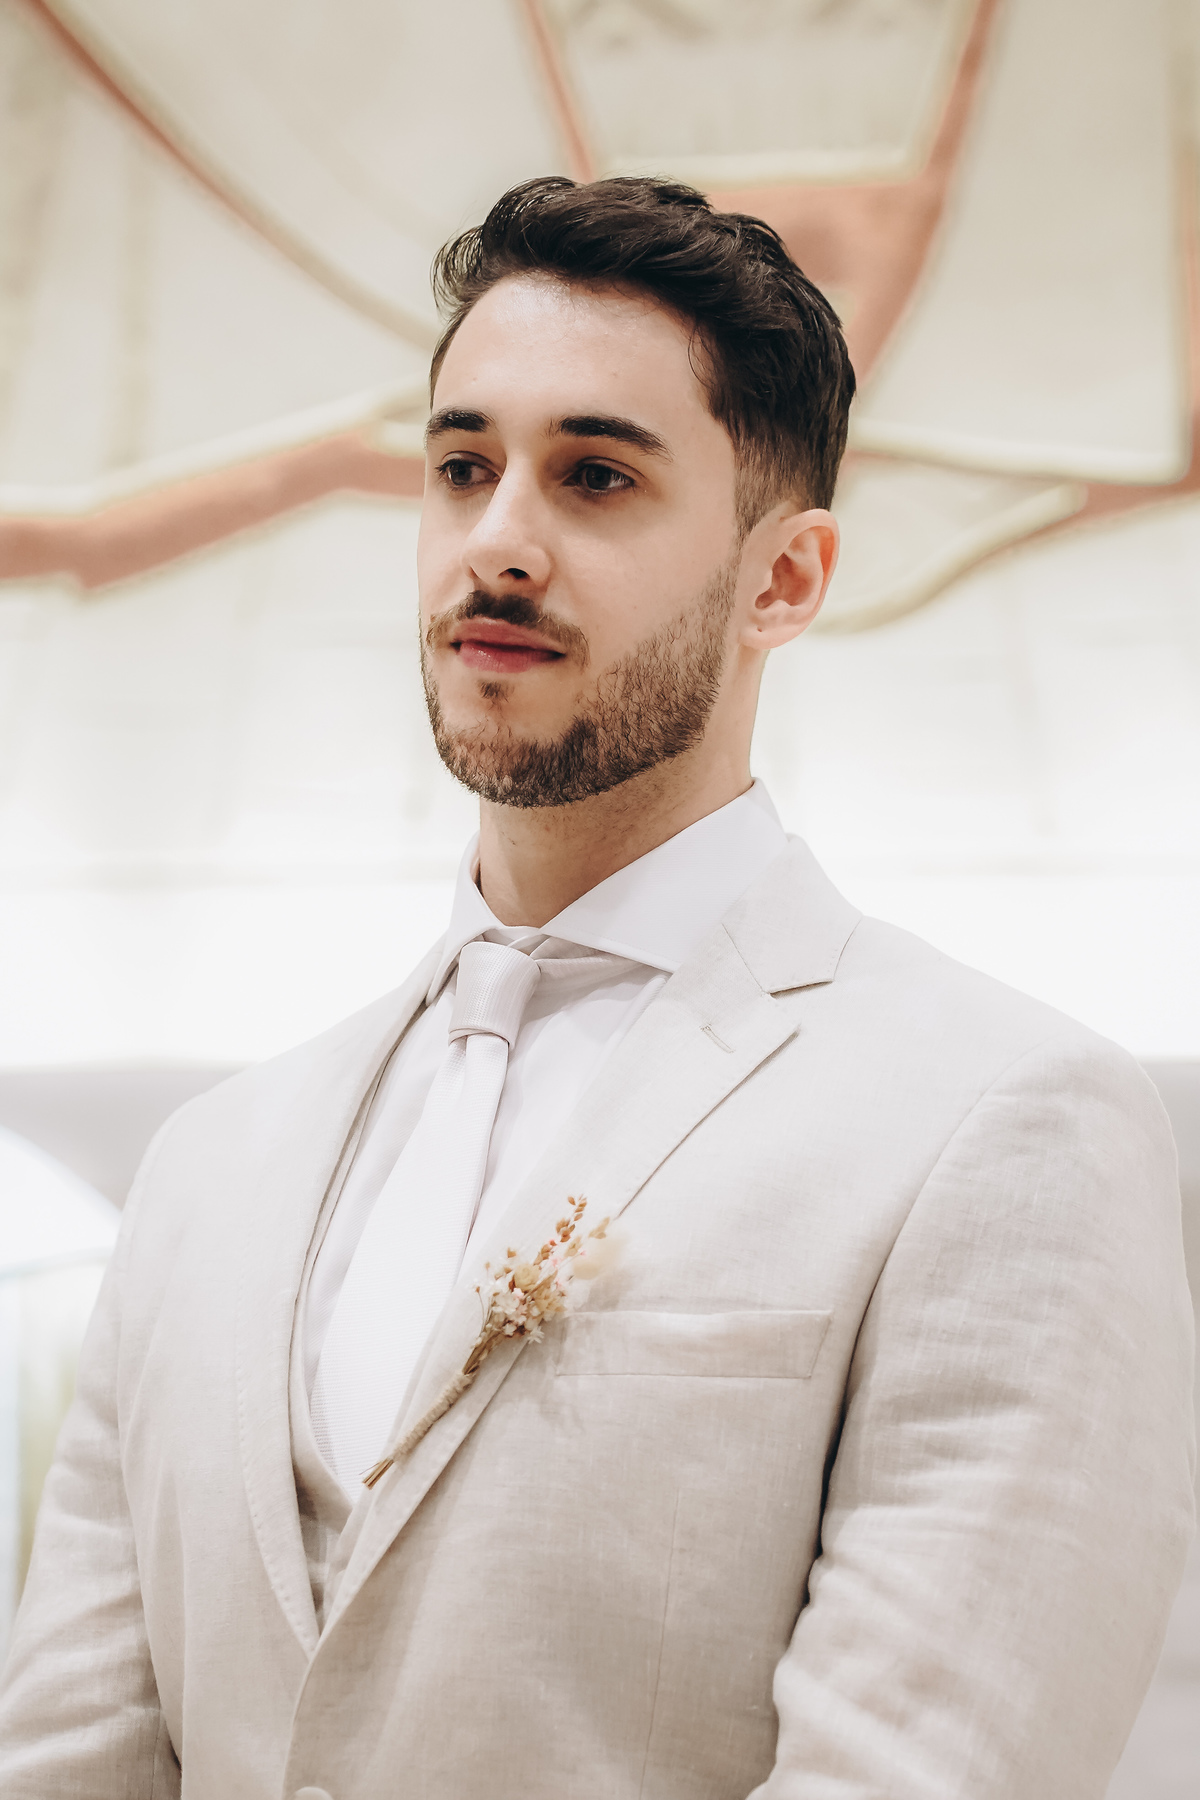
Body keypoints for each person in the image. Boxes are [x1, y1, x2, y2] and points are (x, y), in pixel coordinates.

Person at [0, 175, 1192, 1800]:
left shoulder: (1008, 1126)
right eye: (462, 467)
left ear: (784, 579)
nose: (498, 541)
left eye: (596, 476)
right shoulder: (210, 1168)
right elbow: (65, 1757)